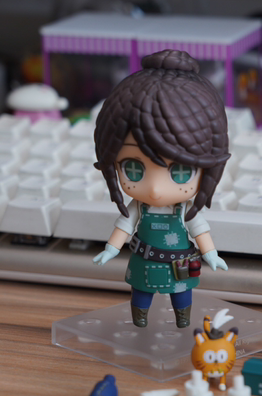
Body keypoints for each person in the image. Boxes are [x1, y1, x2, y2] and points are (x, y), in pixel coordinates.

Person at [92, 50, 229, 328]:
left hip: (179, 263)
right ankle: (139, 319)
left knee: (182, 293)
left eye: (180, 172)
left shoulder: (183, 209)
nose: (155, 190)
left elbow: (199, 230)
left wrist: (210, 253)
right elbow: (124, 226)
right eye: (133, 168)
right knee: (141, 292)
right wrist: (111, 249)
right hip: (144, 260)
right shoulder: (138, 207)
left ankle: (183, 320)